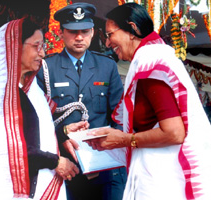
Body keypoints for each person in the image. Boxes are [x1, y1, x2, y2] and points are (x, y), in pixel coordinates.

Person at [87, 3, 211, 200]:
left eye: (110, 34)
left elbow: (174, 132)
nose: (108, 43)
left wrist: (124, 140)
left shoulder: (150, 63)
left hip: (164, 182)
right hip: (157, 176)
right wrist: (112, 139)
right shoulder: (147, 60)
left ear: (132, 29)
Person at [0, 14, 83, 199]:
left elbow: (35, 134)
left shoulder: (31, 92)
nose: (42, 54)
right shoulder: (0, 98)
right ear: (15, 47)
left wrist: (63, 131)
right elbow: (5, 148)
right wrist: (56, 162)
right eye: (36, 46)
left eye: (43, 47)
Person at [38, 3, 127, 200]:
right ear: (61, 33)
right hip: (66, 167)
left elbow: (119, 116)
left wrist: (108, 153)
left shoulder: (107, 66)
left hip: (105, 166)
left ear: (93, 32)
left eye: (85, 31)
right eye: (72, 31)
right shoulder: (46, 69)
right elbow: (40, 121)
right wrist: (61, 140)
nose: (79, 37)